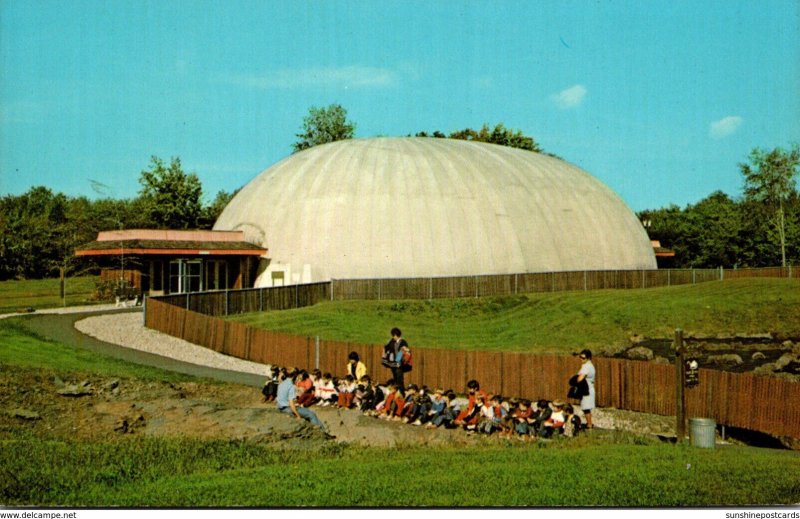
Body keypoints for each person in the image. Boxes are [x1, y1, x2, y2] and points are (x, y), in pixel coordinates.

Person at [276, 369, 330, 434]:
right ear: (294, 376)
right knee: (311, 414)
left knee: (305, 412)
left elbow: (281, 398)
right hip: (287, 408)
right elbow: (291, 403)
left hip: (281, 406)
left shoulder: (282, 384)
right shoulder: (290, 385)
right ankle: (322, 432)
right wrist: (297, 415)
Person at [576, 349, 596, 429]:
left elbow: (579, 379)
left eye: (583, 358)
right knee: (586, 408)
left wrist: (576, 380)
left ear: (588, 358)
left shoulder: (586, 367)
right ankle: (589, 424)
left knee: (586, 408)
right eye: (580, 357)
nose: (581, 359)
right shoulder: (590, 365)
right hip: (588, 388)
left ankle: (589, 425)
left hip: (586, 390)